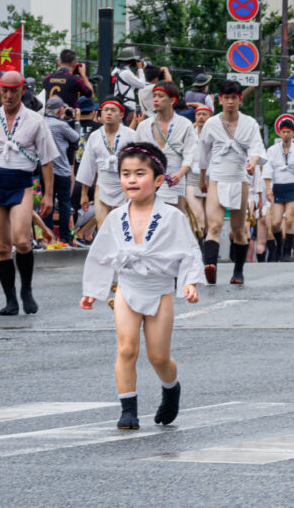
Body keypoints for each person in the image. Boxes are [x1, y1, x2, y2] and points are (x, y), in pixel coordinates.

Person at [80, 142, 204, 430]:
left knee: (158, 356)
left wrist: (189, 283)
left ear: (159, 180)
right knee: (126, 349)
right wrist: (93, 291)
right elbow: (101, 255)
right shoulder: (115, 217)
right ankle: (128, 409)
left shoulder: (172, 216)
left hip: (159, 290)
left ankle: (171, 388)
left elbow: (188, 251)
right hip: (127, 287)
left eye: (139, 173)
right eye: (125, 174)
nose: (132, 180)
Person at [0, 71, 59, 315]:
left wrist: (48, 195)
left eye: (13, 91)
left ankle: (26, 290)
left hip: (22, 182)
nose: (8, 96)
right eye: (4, 91)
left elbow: (47, 161)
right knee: (3, 246)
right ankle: (10, 299)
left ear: (22, 91)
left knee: (21, 240)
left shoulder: (35, 121)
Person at [197, 80, 265, 283]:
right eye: (226, 98)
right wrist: (202, 179)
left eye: (233, 98)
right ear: (220, 100)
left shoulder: (249, 123)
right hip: (217, 178)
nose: (229, 102)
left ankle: (238, 271)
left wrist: (252, 163)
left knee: (238, 229)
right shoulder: (211, 124)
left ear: (240, 99)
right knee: (215, 226)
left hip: (239, 178)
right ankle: (210, 267)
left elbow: (257, 149)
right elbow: (203, 154)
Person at [135, 82, 197, 213]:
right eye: (154, 96)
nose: (156, 99)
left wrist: (180, 174)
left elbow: (190, 153)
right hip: (148, 180)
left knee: (174, 223)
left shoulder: (185, 124)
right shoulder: (144, 126)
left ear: (172, 100)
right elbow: (136, 155)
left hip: (174, 179)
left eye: (160, 96)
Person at [77, 98, 137, 231]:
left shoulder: (132, 135)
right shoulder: (94, 136)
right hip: (102, 183)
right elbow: (88, 165)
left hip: (124, 184)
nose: (109, 113)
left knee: (123, 225)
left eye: (113, 110)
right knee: (102, 225)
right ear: (100, 114)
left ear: (121, 115)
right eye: (105, 110)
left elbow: (138, 164)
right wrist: (84, 193)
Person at [263, 117, 294, 262]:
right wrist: (268, 188)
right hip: (277, 186)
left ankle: (287, 251)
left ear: (292, 133)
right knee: (276, 222)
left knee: (290, 219)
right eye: (283, 132)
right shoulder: (272, 150)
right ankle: (279, 245)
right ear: (280, 133)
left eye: (288, 132)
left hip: (292, 186)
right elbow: (267, 169)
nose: (285, 134)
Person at [43, 96, 81, 243]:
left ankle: (48, 237)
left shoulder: (42, 122)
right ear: (60, 110)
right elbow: (75, 137)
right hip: (62, 170)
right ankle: (65, 238)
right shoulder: (61, 125)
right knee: (65, 203)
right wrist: (76, 120)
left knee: (48, 201)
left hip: (45, 169)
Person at [184, 105, 213, 235]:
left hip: (212, 178)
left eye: (204, 114)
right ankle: (198, 252)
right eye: (198, 114)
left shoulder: (217, 133)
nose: (201, 117)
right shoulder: (189, 134)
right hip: (193, 177)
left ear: (210, 117)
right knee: (196, 216)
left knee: (210, 220)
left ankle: (209, 252)